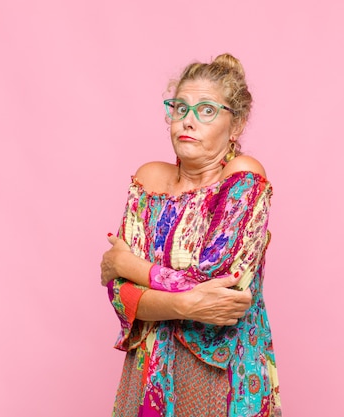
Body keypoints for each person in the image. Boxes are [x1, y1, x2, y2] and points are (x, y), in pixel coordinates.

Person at [100, 53, 281, 417]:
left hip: (225, 381)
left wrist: (130, 265)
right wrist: (183, 303)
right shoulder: (149, 179)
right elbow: (119, 293)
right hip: (148, 375)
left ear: (237, 123)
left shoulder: (244, 177)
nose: (188, 120)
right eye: (180, 108)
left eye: (207, 110)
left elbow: (222, 291)